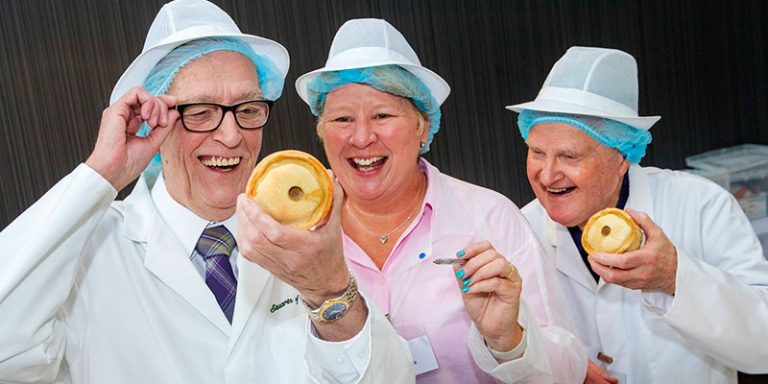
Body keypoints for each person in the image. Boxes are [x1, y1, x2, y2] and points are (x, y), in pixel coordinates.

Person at [0, 1, 413, 383]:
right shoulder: (90, 250)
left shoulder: (302, 241)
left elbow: (390, 377)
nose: (232, 136)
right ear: (151, 120)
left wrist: (329, 290)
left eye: (248, 110)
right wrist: (103, 173)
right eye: (200, 113)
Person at [295, 18, 586, 383]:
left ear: (422, 126)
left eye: (382, 115)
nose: (362, 137)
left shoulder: (490, 217)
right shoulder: (292, 236)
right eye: (341, 118)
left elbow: (569, 370)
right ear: (321, 131)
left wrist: (507, 340)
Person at [506, 46, 768, 384]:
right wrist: (560, 363)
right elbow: (514, 339)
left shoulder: (700, 204)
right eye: (537, 152)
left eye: (569, 156)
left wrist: (674, 278)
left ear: (621, 159)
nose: (547, 174)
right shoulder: (521, 229)